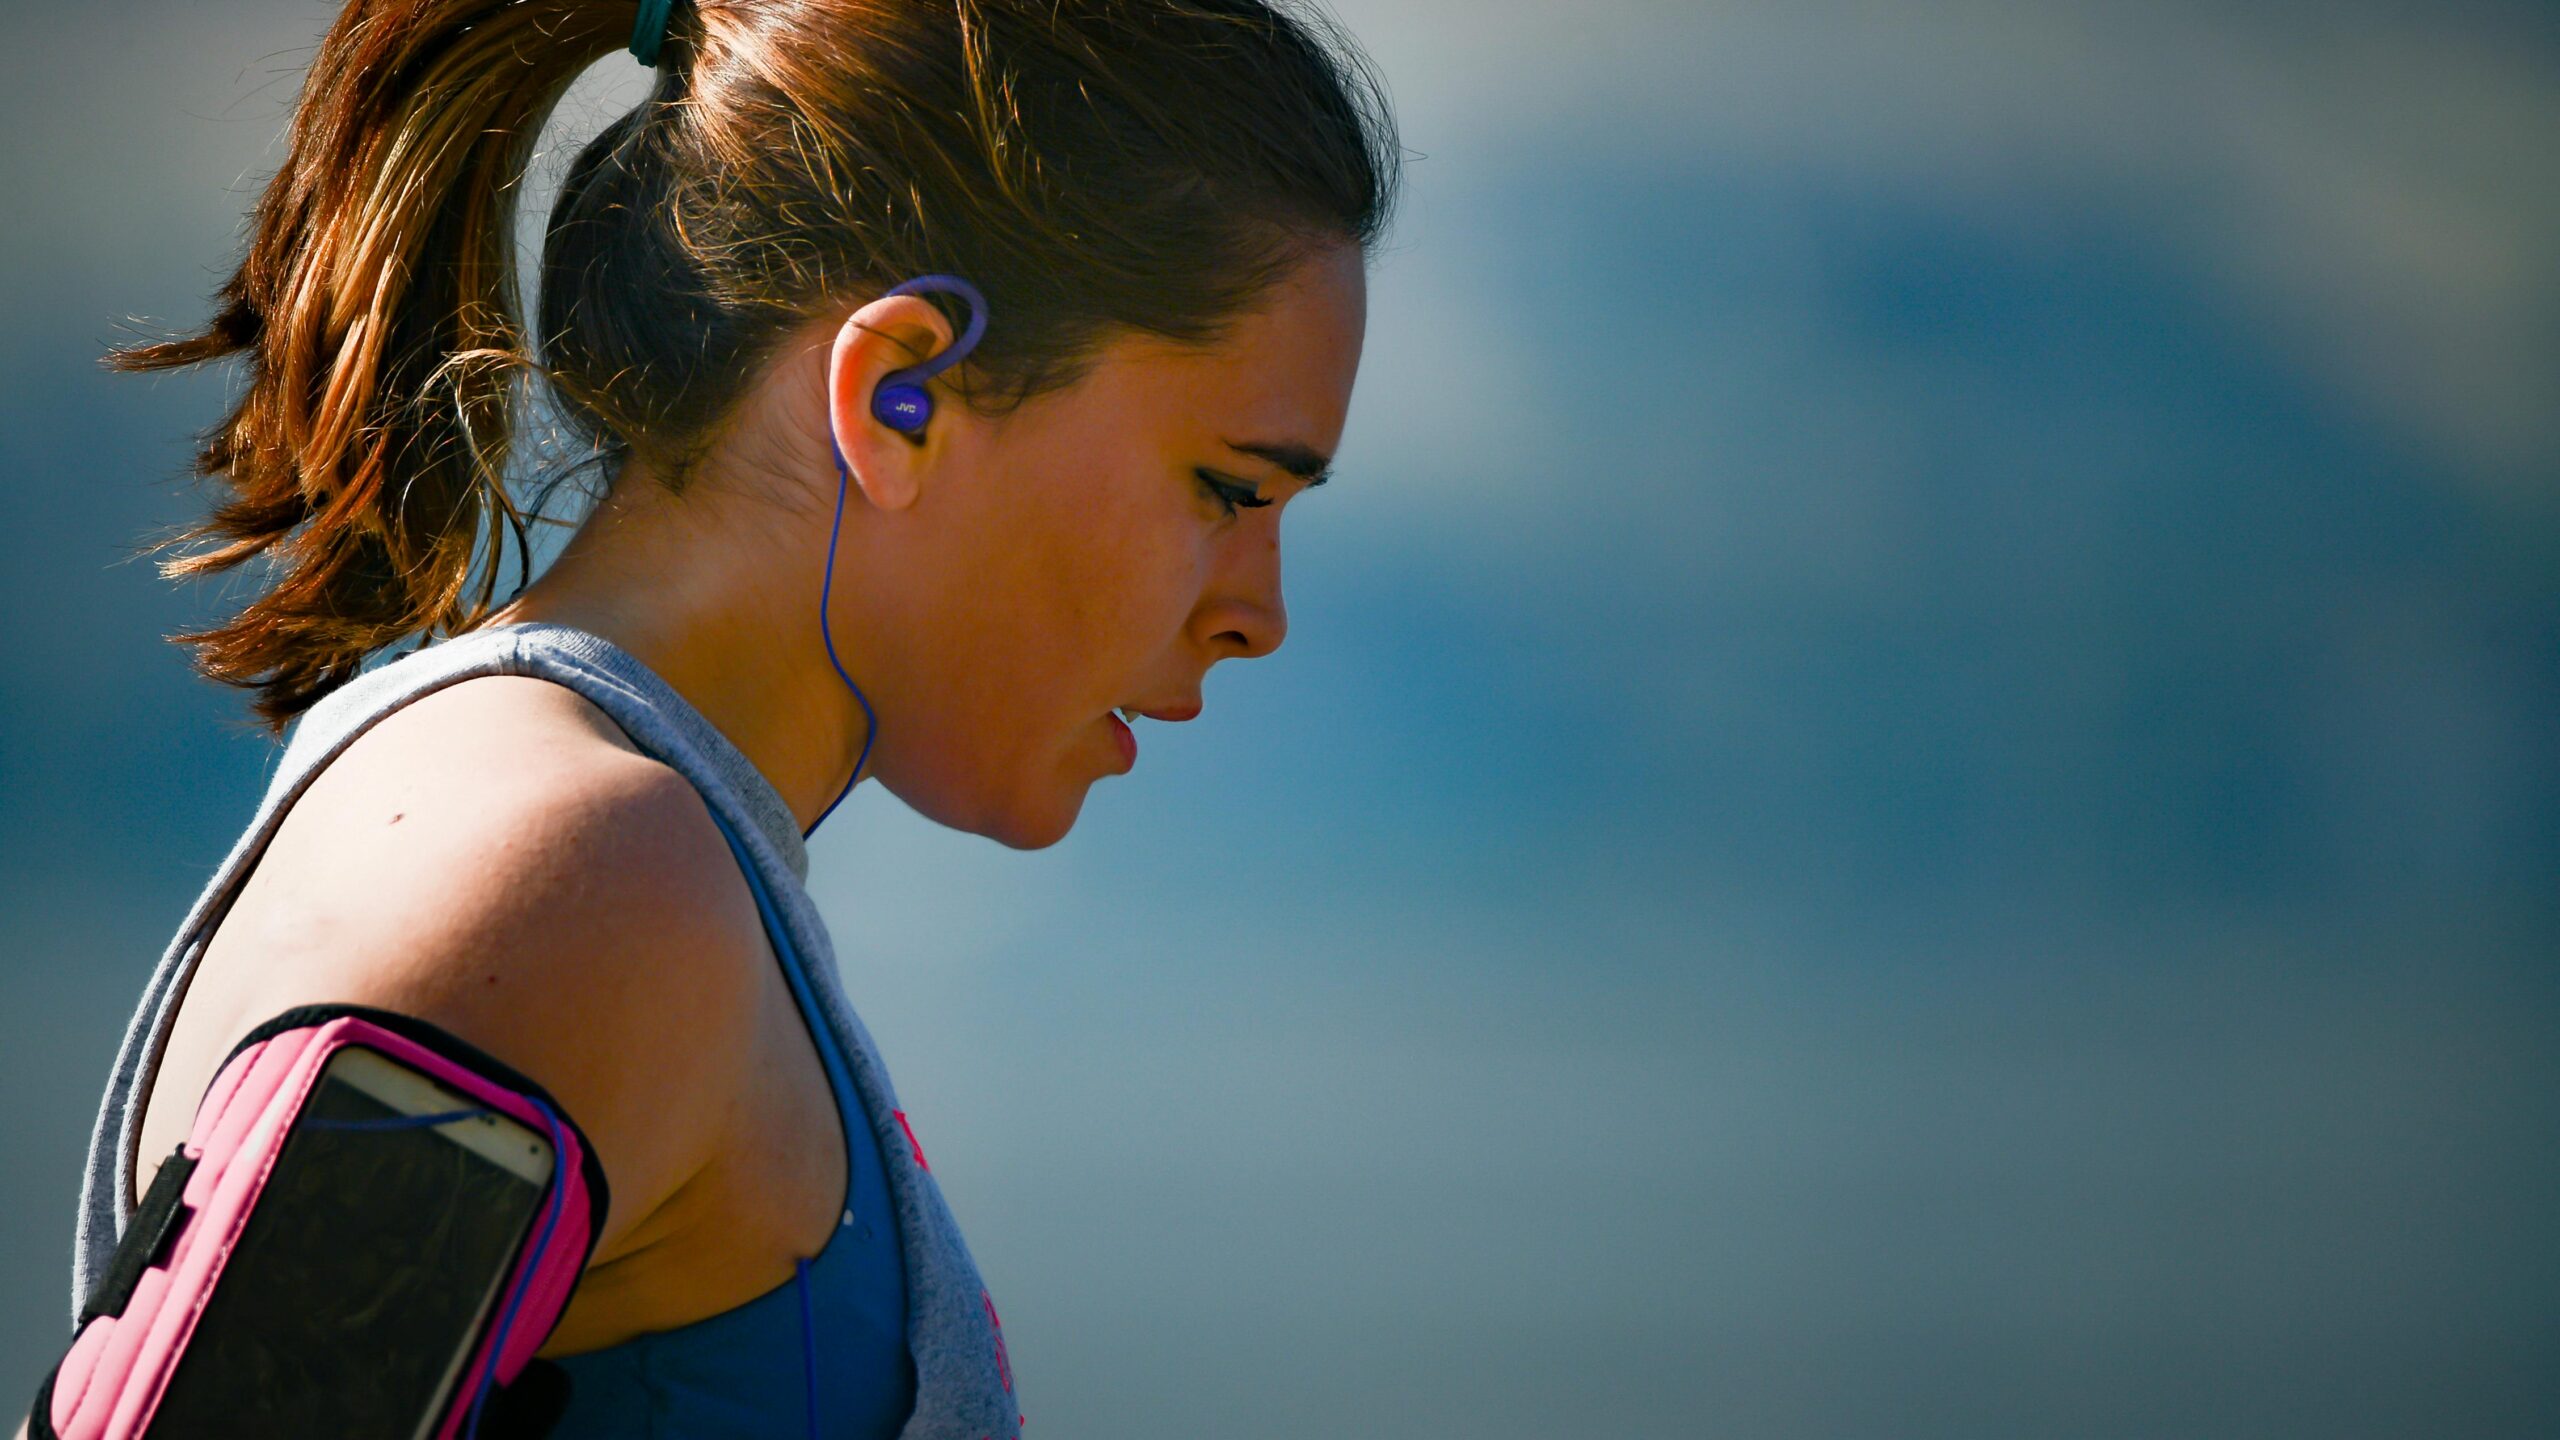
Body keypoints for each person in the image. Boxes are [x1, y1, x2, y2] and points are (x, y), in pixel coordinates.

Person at [39, 0, 1397, 1434]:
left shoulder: (609, 856)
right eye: (1230, 490)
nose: (1261, 614)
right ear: (903, 395)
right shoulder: (582, 886)